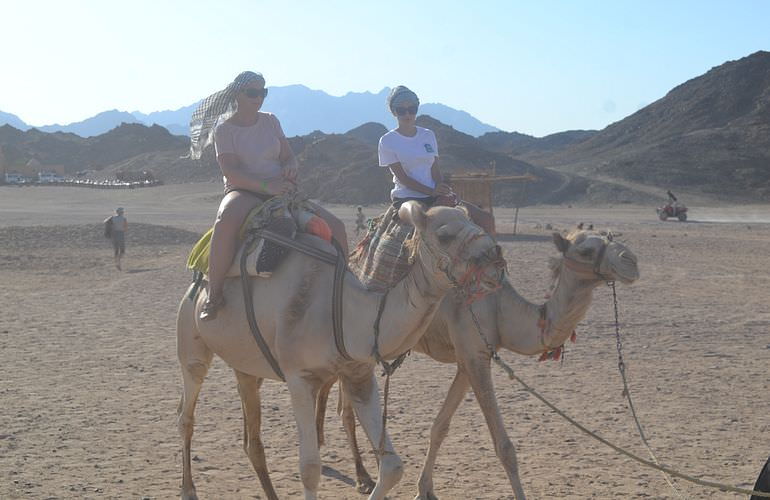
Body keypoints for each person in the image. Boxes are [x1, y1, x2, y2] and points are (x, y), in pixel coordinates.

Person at [189, 71, 347, 321]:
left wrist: (290, 166)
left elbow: (287, 155)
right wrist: (267, 186)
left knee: (337, 227)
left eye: (263, 92)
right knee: (226, 220)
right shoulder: (224, 130)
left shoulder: (271, 121)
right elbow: (231, 171)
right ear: (237, 95)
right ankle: (214, 294)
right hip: (245, 190)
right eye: (253, 92)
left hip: (281, 189)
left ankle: (342, 289)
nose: (259, 97)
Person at [378, 86, 494, 234]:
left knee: (486, 219)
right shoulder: (387, 140)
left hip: (434, 194)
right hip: (407, 198)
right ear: (394, 112)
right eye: (401, 110)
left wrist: (441, 189)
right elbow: (403, 178)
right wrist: (431, 191)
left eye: (412, 109)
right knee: (419, 221)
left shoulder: (428, 135)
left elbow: (434, 169)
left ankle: (493, 257)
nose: (407, 114)